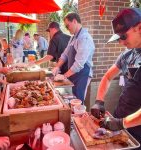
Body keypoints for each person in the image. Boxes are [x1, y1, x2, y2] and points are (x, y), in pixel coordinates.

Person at [90, 8, 141, 145]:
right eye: (118, 38)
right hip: (121, 117)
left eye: (123, 37)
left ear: (139, 28)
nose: (121, 42)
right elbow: (107, 77)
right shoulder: (127, 54)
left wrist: (122, 123)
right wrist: (99, 101)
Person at [52, 13, 95, 102]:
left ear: (75, 21)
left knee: (78, 101)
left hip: (82, 75)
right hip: (73, 74)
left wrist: (64, 76)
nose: (67, 29)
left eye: (68, 25)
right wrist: (57, 66)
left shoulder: (84, 38)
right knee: (71, 99)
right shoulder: (73, 38)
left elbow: (79, 64)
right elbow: (65, 54)